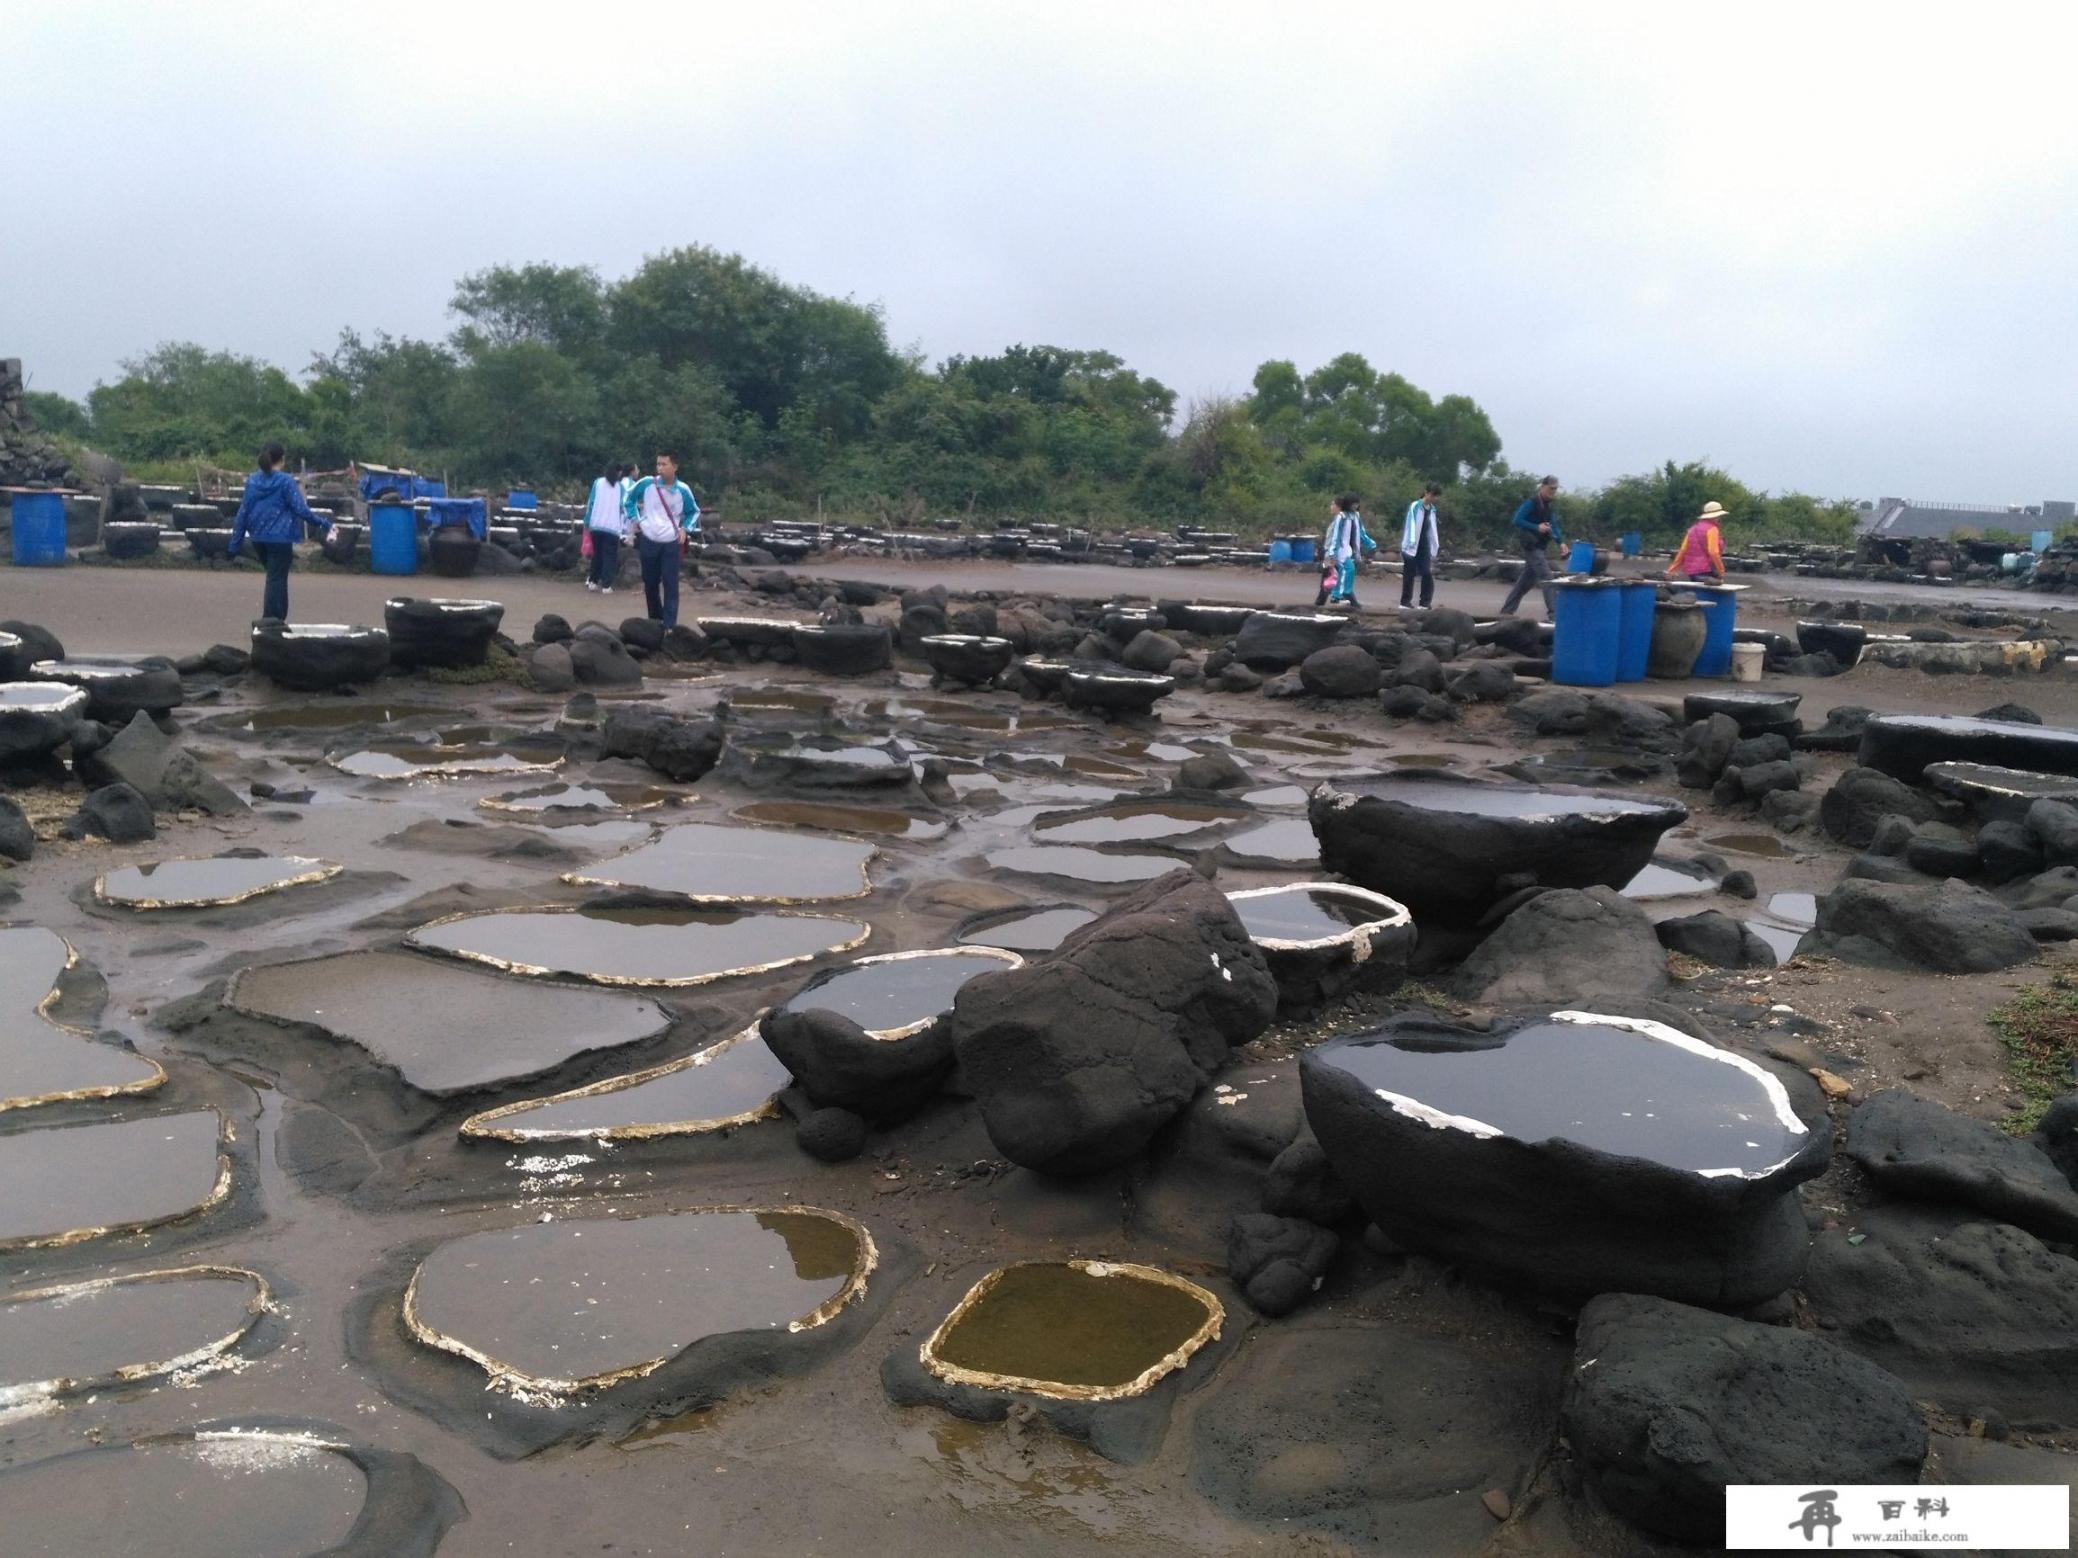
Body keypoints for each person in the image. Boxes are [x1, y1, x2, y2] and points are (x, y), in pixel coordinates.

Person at [226, 442, 331, 623]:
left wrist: (234, 544)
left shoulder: (252, 481)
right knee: (276, 579)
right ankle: (271, 620)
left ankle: (277, 619)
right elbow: (300, 509)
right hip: (280, 538)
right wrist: (323, 523)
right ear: (282, 459)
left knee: (276, 577)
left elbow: (243, 512)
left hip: (258, 538)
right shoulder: (285, 481)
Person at [621, 452, 701, 626]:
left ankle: (669, 624)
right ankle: (655, 620)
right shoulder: (647, 483)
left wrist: (685, 529)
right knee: (650, 582)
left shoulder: (683, 490)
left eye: (664, 464)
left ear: (675, 467)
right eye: (658, 464)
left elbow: (693, 511)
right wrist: (636, 519)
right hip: (649, 538)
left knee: (670, 583)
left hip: (670, 541)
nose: (660, 468)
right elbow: (628, 499)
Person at [1499, 474, 1562, 618]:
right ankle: (1554, 614)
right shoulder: (1531, 503)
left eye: (1555, 489)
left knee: (1526, 581)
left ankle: (1507, 610)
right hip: (1531, 546)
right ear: (1542, 487)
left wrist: (1561, 543)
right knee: (1547, 577)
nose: (1553, 492)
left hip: (1540, 546)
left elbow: (1554, 525)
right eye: (1551, 488)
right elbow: (1517, 520)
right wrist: (1536, 527)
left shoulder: (1548, 506)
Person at [1320, 494, 1373, 608]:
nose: (1355, 506)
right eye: (1353, 504)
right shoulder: (1341, 517)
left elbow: (1360, 533)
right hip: (1336, 551)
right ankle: (1344, 595)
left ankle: (1333, 597)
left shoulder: (1355, 516)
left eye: (1357, 504)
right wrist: (1331, 552)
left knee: (1333, 576)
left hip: (1342, 551)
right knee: (1338, 573)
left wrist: (1370, 544)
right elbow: (1335, 536)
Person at [583, 462, 628, 594]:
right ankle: (606, 585)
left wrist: (587, 521)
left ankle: (593, 581)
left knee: (597, 554)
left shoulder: (598, 483)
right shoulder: (620, 488)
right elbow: (623, 508)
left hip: (596, 525)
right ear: (619, 472)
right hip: (612, 527)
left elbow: (590, 503)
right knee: (609, 556)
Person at [1400, 482, 1442, 608]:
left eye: (1435, 496)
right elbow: (1411, 524)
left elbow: (1432, 530)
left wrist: (1435, 546)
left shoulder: (1432, 510)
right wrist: (1411, 542)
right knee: (1409, 573)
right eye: (1432, 495)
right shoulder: (1415, 506)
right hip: (1411, 545)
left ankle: (1425, 602)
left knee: (1426, 573)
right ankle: (1405, 602)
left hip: (1424, 545)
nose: (1433, 498)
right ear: (1426, 493)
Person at [1667, 500, 1729, 584]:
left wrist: (1671, 570)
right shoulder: (1712, 529)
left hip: (1692, 572)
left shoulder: (1692, 529)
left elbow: (1683, 550)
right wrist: (1721, 571)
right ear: (1716, 517)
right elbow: (1713, 552)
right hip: (1706, 570)